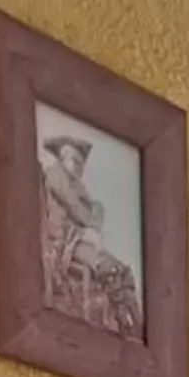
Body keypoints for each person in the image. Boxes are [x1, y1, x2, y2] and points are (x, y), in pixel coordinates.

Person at [38, 129, 143, 340]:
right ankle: (124, 322)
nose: (77, 166)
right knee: (107, 268)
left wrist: (95, 213)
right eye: (73, 160)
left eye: (80, 162)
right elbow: (77, 209)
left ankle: (137, 323)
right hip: (66, 239)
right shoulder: (56, 175)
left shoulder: (76, 184)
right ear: (63, 157)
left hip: (80, 238)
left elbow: (94, 213)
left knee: (121, 269)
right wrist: (92, 218)